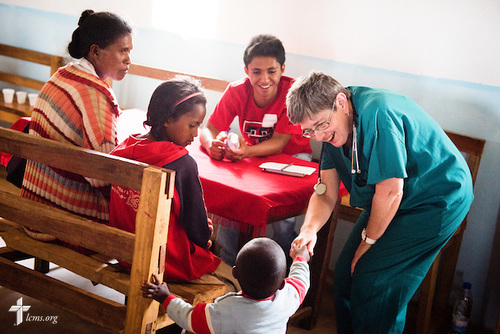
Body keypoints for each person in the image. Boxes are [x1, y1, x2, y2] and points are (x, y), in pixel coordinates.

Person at [286, 72, 474, 334]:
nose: (317, 136)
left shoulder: (377, 114)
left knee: (374, 282)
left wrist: (368, 242)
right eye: (309, 130)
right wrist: (308, 229)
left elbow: (391, 191)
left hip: (436, 198)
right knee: (344, 276)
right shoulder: (332, 125)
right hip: (392, 198)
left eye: (320, 125)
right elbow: (325, 192)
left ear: (341, 102)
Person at [109, 77, 236, 285]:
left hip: (124, 252)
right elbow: (198, 230)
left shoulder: (125, 148)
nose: (196, 134)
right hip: (166, 260)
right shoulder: (181, 164)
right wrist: (207, 235)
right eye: (192, 126)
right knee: (234, 281)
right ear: (167, 119)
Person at [199, 34, 312, 266]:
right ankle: (229, 267)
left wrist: (245, 151)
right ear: (246, 71)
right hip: (253, 159)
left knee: (283, 223)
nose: (264, 79)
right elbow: (208, 129)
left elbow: (280, 143)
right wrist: (212, 145)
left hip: (293, 159)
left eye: (271, 71)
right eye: (256, 71)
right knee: (233, 203)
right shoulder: (236, 90)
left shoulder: (292, 93)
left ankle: (281, 270)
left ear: (282, 69)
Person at [21, 9, 133, 241]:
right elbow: (100, 176)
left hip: (32, 203)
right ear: (95, 51)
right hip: (62, 214)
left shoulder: (62, 75)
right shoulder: (97, 95)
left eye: (130, 51)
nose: (128, 60)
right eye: (123, 51)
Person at [142, 237, 310, 334]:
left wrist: (165, 297)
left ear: (234, 273)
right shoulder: (287, 299)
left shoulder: (225, 311)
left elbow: (189, 317)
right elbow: (300, 280)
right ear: (281, 284)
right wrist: (300, 258)